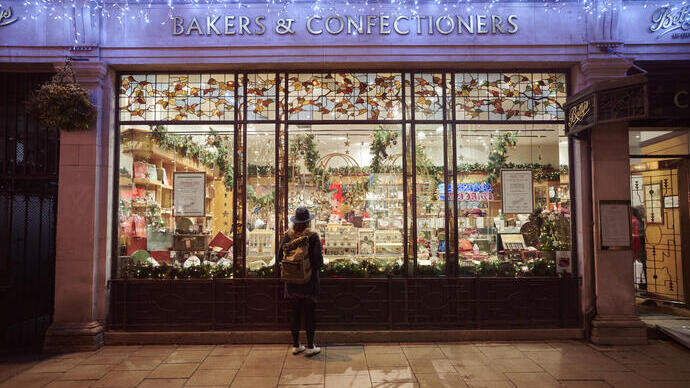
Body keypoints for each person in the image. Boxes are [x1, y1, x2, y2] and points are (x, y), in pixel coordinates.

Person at [277, 206, 324, 356]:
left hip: (291, 282)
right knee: (310, 313)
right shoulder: (313, 236)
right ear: (308, 222)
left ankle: (296, 345)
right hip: (309, 281)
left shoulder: (288, 236)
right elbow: (318, 261)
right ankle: (310, 346)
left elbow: (279, 257)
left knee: (295, 313)